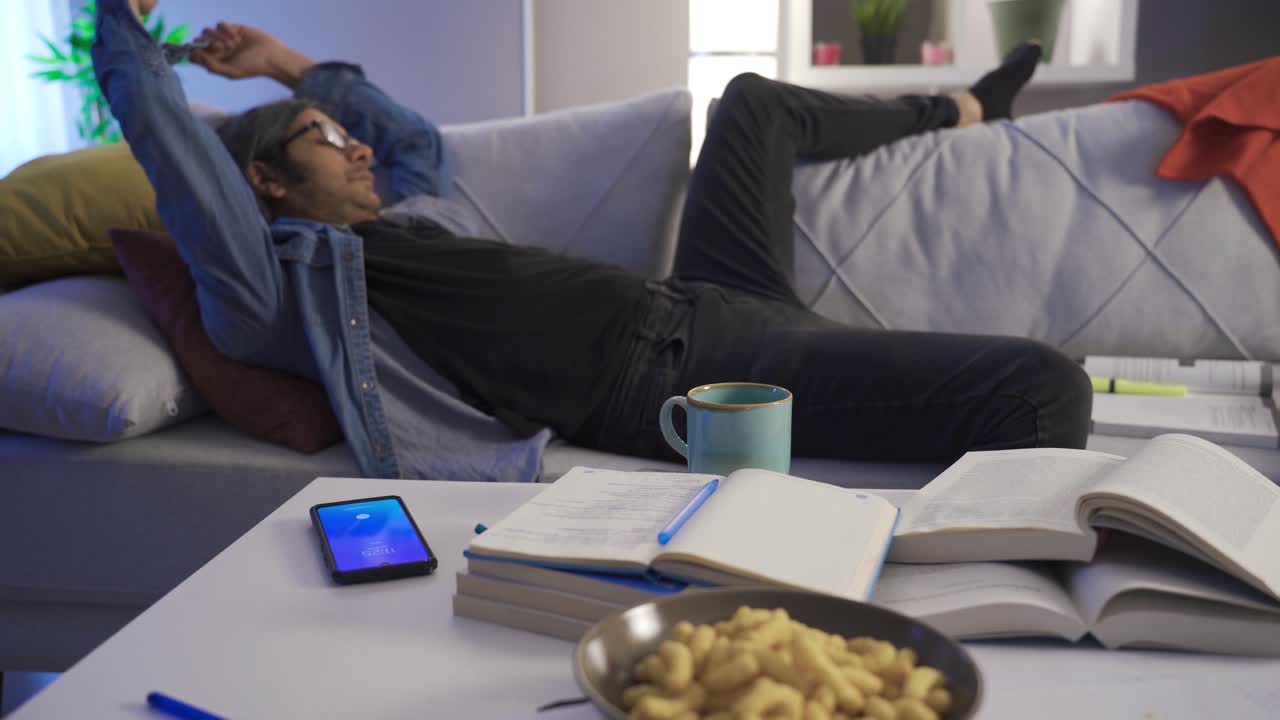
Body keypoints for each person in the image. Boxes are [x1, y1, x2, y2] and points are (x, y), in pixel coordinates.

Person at [94, 0, 1091, 482]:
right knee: (1042, 389)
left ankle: (959, 108)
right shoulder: (278, 286)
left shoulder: (412, 219)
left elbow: (411, 140)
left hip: (698, 296)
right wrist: (123, 23)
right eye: (322, 138)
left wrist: (286, 67)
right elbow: (177, 155)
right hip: (682, 379)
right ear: (263, 182)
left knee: (747, 104)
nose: (356, 150)